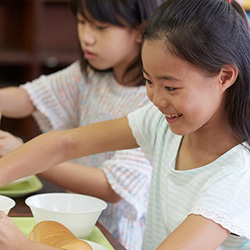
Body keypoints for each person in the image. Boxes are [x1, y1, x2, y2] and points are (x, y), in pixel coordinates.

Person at [0, 0, 250, 249]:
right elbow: (66, 143)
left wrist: (22, 246)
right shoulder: (162, 123)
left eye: (171, 87)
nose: (157, 99)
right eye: (148, 81)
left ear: (224, 77)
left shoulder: (237, 177)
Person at [0, 0, 165, 249]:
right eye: (81, 22)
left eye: (100, 27)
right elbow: (30, 97)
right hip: (74, 226)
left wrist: (20, 155)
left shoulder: (155, 101)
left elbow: (112, 187)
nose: (86, 37)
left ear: (140, 31)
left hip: (117, 235)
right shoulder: (90, 74)